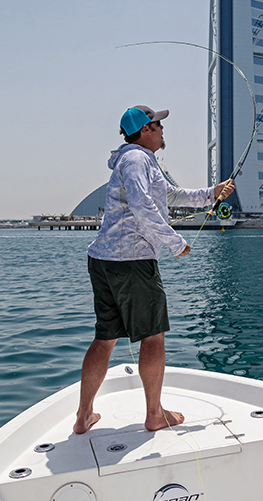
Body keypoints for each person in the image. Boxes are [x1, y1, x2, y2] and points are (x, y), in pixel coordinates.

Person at [73, 104, 234, 434]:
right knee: (153, 337)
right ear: (145, 130)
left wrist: (211, 194)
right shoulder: (135, 159)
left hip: (104, 261)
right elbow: (141, 204)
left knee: (105, 339)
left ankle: (84, 415)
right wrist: (174, 242)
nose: (163, 130)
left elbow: (169, 196)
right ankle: (154, 415)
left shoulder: (140, 161)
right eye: (158, 125)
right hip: (130, 262)